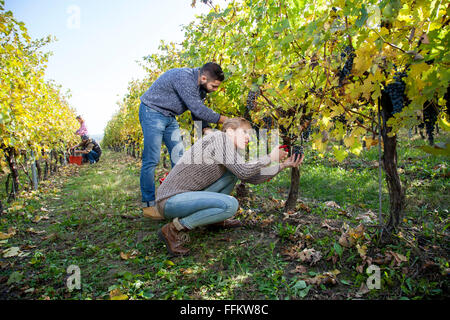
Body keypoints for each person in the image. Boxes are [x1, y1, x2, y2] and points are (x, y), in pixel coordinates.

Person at [154, 118, 304, 256]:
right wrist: (270, 157)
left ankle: (212, 220)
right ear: (230, 131)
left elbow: (252, 177)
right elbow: (245, 172)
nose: (248, 137)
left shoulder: (229, 149)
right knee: (230, 205)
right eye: (244, 132)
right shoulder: (219, 138)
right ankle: (174, 228)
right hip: (170, 201)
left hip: (186, 198)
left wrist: (283, 165)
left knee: (232, 175)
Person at [139, 62, 230, 219]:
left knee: (180, 158)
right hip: (152, 111)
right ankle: (148, 205)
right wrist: (228, 120)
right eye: (214, 86)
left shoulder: (200, 87)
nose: (215, 90)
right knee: (152, 159)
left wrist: (205, 128)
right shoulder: (184, 78)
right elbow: (197, 109)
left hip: (169, 116)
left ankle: (176, 197)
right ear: (203, 78)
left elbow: (197, 110)